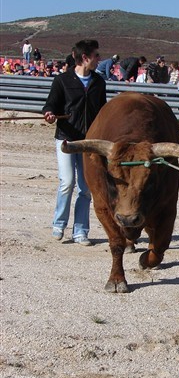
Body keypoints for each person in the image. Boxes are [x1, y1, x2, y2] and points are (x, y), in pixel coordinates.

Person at [42, 39, 107, 245]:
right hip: (67, 140)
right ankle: (59, 224)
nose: (99, 59)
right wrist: (49, 113)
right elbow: (50, 104)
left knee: (85, 188)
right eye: (96, 55)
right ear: (85, 58)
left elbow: (103, 110)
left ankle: (80, 231)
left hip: (89, 142)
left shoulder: (99, 82)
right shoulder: (62, 80)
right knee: (67, 182)